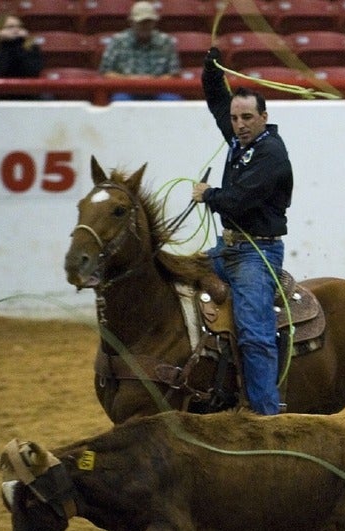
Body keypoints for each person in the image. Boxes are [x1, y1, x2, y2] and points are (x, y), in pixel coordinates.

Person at [191, 46, 293, 416]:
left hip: (257, 254)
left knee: (255, 335)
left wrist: (207, 194)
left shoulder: (271, 155)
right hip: (230, 248)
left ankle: (266, 417)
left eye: (247, 117)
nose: (239, 124)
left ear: (264, 117)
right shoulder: (241, 140)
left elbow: (237, 201)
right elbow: (217, 100)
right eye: (236, 119)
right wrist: (209, 69)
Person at [97, 1, 181, 101]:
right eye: (141, 22)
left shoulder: (165, 42)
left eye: (148, 22)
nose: (145, 26)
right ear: (131, 22)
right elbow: (105, 72)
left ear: (154, 22)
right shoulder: (118, 41)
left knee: (172, 101)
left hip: (159, 89)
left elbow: (174, 74)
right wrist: (130, 81)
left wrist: (153, 82)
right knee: (121, 101)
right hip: (126, 89)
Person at [0, 14, 44, 87]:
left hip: (25, 90)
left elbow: (32, 72)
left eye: (19, 27)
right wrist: (6, 44)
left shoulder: (31, 48)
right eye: (10, 27)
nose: (16, 30)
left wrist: (18, 44)